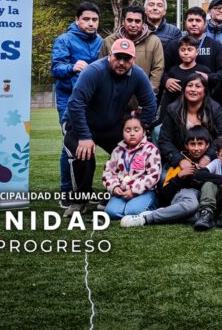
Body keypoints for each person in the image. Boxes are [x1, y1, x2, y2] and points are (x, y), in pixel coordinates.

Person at [63, 39, 157, 212]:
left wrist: (141, 131)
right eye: (117, 57)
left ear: (133, 60)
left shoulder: (137, 74)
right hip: (81, 123)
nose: (121, 62)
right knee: (83, 155)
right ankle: (79, 200)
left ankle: (115, 193)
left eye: (126, 58)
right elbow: (76, 104)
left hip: (110, 124)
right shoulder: (94, 71)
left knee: (131, 150)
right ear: (109, 56)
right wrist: (85, 136)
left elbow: (150, 104)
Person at [50, 1, 103, 198]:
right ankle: (66, 191)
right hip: (68, 101)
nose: (91, 23)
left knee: (89, 145)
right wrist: (72, 67)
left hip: (93, 102)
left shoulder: (101, 41)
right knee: (70, 146)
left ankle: (83, 188)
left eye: (94, 20)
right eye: (86, 19)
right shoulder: (64, 40)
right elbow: (55, 69)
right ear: (77, 20)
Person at [120, 132, 210, 228]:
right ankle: (146, 218)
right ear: (186, 146)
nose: (196, 148)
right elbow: (164, 196)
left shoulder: (213, 161)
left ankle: (166, 212)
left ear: (207, 145)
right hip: (186, 194)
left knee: (198, 216)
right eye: (192, 144)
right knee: (191, 205)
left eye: (200, 144)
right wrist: (178, 177)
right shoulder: (179, 164)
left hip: (205, 197)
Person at [157, 71, 222, 169]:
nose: (193, 89)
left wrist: (208, 156)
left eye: (198, 86)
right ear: (184, 90)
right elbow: (164, 140)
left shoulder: (214, 108)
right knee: (163, 179)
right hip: (181, 156)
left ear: (205, 91)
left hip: (210, 158)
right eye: (190, 85)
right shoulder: (173, 110)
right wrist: (180, 160)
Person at [101, 114, 161, 219]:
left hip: (144, 191)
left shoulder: (151, 150)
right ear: (122, 133)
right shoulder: (117, 150)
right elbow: (108, 172)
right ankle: (128, 208)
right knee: (111, 212)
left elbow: (153, 175)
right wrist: (114, 187)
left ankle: (153, 205)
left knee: (132, 212)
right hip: (121, 192)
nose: (132, 134)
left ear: (143, 132)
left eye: (136, 130)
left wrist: (133, 190)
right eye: (127, 131)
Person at [101, 5, 165, 96]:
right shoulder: (109, 41)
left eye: (137, 21)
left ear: (143, 23)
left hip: (140, 97)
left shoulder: (154, 41)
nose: (133, 25)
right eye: (129, 20)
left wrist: (148, 96)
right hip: (113, 96)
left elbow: (158, 69)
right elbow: (102, 70)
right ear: (123, 21)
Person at [164, 7, 222, 85]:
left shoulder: (216, 46)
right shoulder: (174, 44)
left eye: (198, 20)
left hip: (207, 93)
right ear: (185, 23)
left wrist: (210, 77)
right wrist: (166, 80)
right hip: (177, 93)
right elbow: (163, 70)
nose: (194, 24)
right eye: (190, 20)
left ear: (205, 24)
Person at [157, 35, 212, 123]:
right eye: (183, 50)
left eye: (189, 49)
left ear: (197, 52)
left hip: (197, 116)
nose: (186, 53)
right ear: (178, 51)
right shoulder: (173, 71)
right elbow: (167, 99)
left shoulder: (203, 71)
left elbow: (208, 97)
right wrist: (162, 119)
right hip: (175, 115)